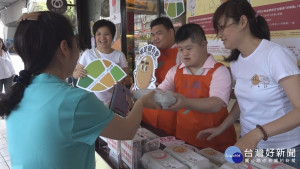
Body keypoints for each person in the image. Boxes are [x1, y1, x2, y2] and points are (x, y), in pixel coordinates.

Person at [0, 11, 159, 169]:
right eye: (75, 43)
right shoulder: (76, 100)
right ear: (64, 48)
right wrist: (142, 101)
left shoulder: (19, 91)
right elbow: (128, 130)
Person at [197, 0, 300, 167]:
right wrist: (222, 127)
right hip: (248, 145)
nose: (219, 34)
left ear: (243, 22)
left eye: (223, 27)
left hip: (284, 150)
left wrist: (257, 133)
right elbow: (244, 101)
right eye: (217, 29)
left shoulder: (275, 55)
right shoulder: (237, 62)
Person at [156, 23, 236, 152]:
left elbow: (216, 103)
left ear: (203, 45)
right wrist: (143, 93)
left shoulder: (219, 71)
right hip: (184, 139)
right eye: (181, 49)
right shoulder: (175, 71)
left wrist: (185, 102)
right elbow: (160, 91)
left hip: (215, 142)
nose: (184, 54)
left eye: (189, 48)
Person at [72, 19, 129, 106]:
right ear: (94, 36)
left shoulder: (119, 55)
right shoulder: (88, 54)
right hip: (91, 102)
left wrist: (120, 81)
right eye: (98, 34)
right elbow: (75, 74)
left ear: (112, 36)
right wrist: (77, 73)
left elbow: (126, 79)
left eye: (106, 34)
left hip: (113, 102)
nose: (102, 38)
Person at [142, 17, 181, 135]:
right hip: (146, 114)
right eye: (153, 35)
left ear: (171, 32)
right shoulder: (151, 54)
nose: (155, 38)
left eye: (159, 34)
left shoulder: (182, 53)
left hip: (168, 117)